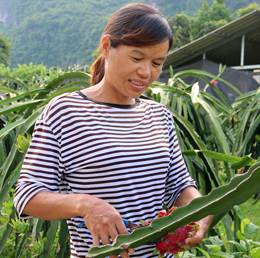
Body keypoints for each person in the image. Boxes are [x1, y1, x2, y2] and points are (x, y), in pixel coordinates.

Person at [14, 3, 212, 258]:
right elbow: (27, 195)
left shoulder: (159, 115)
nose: (146, 72)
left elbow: (179, 187)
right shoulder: (65, 111)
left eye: (157, 63)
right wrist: (85, 205)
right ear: (107, 46)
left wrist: (202, 211)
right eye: (137, 58)